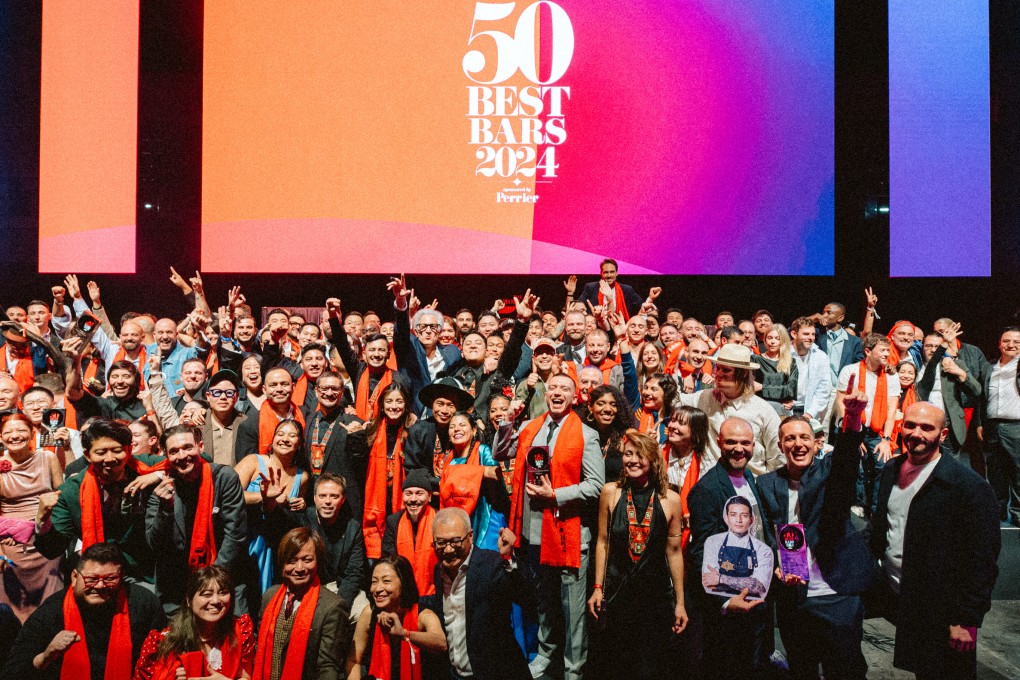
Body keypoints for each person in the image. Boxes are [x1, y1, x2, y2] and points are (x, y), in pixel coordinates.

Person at [869, 402, 1000, 679]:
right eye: (910, 425)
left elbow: (982, 561)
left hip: (944, 610)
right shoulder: (891, 469)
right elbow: (884, 528)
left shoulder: (969, 487)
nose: (917, 433)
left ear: (942, 435)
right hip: (903, 596)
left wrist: (965, 620)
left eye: (927, 428)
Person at [756, 413, 873, 680]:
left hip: (835, 593)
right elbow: (766, 536)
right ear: (780, 444)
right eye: (790, 438)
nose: (798, 444)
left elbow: (846, 459)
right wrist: (775, 566)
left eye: (804, 437)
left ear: (816, 443)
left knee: (845, 671)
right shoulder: (766, 484)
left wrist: (852, 422)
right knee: (801, 669)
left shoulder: (831, 473)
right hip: (794, 597)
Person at [505, 373, 604, 680]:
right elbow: (499, 452)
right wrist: (507, 421)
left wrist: (556, 495)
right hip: (533, 532)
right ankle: (546, 654)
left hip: (568, 534)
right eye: (553, 389)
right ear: (546, 395)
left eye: (565, 389)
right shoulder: (529, 429)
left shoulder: (587, 434)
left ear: (575, 397)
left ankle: (574, 668)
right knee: (545, 602)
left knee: (573, 612)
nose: (558, 393)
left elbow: (596, 485)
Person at [588, 431, 688, 680]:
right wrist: (598, 587)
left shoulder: (671, 500)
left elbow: (674, 553)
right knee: (616, 664)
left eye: (639, 454)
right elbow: (602, 542)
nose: (632, 460)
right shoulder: (610, 492)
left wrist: (680, 603)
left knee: (650, 666)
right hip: (617, 592)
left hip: (654, 597)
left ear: (653, 460)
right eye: (628, 454)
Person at [687, 417, 773, 680]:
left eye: (745, 443)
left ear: (754, 445)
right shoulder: (708, 489)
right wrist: (725, 601)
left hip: (756, 597)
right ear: (719, 443)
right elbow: (701, 552)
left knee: (754, 665)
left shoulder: (747, 476)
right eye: (732, 442)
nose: (739, 449)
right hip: (729, 606)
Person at [2, 542, 166, 680]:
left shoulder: (143, 603)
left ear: (121, 577)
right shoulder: (52, 610)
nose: (100, 586)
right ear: (74, 577)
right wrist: (45, 657)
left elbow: (165, 656)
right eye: (91, 579)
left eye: (110, 579)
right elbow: (12, 672)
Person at [34, 420, 164, 584]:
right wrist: (42, 520)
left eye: (117, 451)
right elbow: (52, 549)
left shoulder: (145, 465)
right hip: (100, 575)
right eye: (101, 452)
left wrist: (159, 475)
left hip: (151, 572)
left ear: (129, 449)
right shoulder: (72, 491)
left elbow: (198, 461)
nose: (110, 459)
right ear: (87, 455)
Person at [145, 425, 248, 614]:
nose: (182, 455)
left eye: (187, 447)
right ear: (166, 455)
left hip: (222, 576)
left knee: (236, 638)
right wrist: (164, 510)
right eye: (174, 451)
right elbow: (154, 545)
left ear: (200, 446)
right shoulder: (161, 487)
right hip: (176, 587)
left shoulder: (223, 478)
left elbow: (235, 535)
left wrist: (210, 582)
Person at [429, 508, 535, 680]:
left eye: (455, 541)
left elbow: (528, 598)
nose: (448, 550)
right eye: (440, 543)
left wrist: (509, 558)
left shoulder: (491, 564)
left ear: (470, 536)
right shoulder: (439, 570)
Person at [256, 528, 350, 680]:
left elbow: (328, 667)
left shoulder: (333, 606)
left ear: (318, 562)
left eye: (307, 560)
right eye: (292, 561)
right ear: (282, 564)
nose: (299, 568)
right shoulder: (269, 596)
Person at [675, 344, 783, 475]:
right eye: (718, 368)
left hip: (750, 485)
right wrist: (685, 374)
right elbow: (673, 401)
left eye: (725, 370)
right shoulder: (705, 397)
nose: (718, 374)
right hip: (711, 483)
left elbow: (778, 458)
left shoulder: (763, 410)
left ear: (743, 373)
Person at [132, 565, 256, 679]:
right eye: (207, 594)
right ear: (189, 600)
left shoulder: (240, 632)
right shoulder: (164, 643)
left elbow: (246, 677)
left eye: (223, 593)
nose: (216, 600)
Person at [265, 473, 366, 612]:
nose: (328, 501)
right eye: (322, 496)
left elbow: (354, 573)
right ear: (314, 498)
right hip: (304, 586)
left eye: (334, 496)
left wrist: (340, 606)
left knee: (365, 611)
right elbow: (279, 519)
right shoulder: (303, 518)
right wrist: (270, 501)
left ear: (343, 499)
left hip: (337, 588)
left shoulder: (352, 527)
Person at [0, 413, 64, 622]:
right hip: (10, 541)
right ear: (0, 438)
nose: (14, 436)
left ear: (32, 433)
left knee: (52, 598)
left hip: (46, 535)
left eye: (21, 430)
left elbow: (61, 495)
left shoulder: (47, 458)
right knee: (13, 602)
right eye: (8, 432)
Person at [235, 419, 311, 593]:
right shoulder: (253, 461)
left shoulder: (303, 477)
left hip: (278, 545)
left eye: (292, 435)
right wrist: (264, 498)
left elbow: (294, 518)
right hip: (247, 537)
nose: (285, 439)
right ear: (273, 439)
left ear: (299, 444)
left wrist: (301, 505)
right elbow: (229, 495)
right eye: (280, 434)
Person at [346, 554, 447, 680]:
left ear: (404, 582)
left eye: (386, 581)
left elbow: (441, 643)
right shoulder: (369, 613)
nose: (377, 589)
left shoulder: (423, 615)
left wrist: (405, 634)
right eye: (374, 582)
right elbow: (354, 660)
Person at [835, 333, 900, 515]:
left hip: (878, 432)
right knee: (856, 463)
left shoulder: (890, 376)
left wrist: (886, 439)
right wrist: (851, 432)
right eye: (883, 350)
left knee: (882, 463)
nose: (887, 354)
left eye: (888, 350)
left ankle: (876, 509)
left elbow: (891, 408)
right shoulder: (851, 371)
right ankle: (856, 505)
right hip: (852, 427)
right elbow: (841, 402)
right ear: (868, 351)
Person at [436, 412, 507, 550]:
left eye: (462, 425)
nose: (457, 429)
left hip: (485, 516)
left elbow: (495, 473)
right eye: (452, 426)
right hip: (458, 520)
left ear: (474, 431)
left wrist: (456, 472)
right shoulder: (447, 459)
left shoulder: (483, 451)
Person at [327, 298, 401, 422]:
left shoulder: (398, 379)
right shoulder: (358, 370)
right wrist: (333, 317)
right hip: (359, 429)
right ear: (364, 353)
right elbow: (342, 345)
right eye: (371, 350)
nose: (376, 354)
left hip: (386, 431)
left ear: (388, 354)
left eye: (381, 350)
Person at [363, 383, 414, 559]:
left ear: (406, 405)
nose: (394, 406)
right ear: (382, 406)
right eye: (389, 401)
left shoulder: (414, 431)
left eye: (399, 401)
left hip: (401, 498)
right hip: (377, 499)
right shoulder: (370, 431)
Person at [302, 371, 366, 509]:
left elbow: (361, 466)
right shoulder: (307, 420)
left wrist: (357, 438)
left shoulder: (354, 423)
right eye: (324, 388)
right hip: (312, 498)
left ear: (342, 392)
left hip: (343, 500)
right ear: (317, 391)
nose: (329, 393)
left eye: (335, 389)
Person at [914, 328, 980, 462]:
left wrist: (961, 374)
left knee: (950, 468)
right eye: (928, 346)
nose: (933, 350)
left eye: (937, 346)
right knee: (921, 467)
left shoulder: (952, 365)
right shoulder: (913, 365)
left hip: (948, 426)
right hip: (920, 426)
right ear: (922, 347)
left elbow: (976, 391)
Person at [977, 326, 1020, 525]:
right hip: (992, 427)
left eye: (1016, 342)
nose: (1011, 345)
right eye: (1006, 341)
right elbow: (982, 398)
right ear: (999, 344)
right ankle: (997, 512)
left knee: (1018, 472)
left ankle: (1018, 513)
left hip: (1016, 426)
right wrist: (980, 423)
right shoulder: (990, 367)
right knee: (995, 472)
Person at [403, 378, 475, 494]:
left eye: (450, 405)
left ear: (458, 407)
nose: (444, 410)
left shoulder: (465, 433)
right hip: (426, 495)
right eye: (440, 404)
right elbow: (413, 470)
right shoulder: (418, 431)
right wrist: (439, 484)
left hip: (458, 493)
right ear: (432, 404)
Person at [382, 469, 438, 597]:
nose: (413, 499)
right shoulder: (394, 522)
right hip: (401, 594)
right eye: (408, 493)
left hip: (434, 593)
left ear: (429, 496)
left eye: (419, 493)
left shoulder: (439, 520)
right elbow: (388, 561)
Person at [662, 406, 710, 549]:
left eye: (681, 423)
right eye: (672, 421)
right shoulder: (657, 454)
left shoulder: (705, 464)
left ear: (696, 432)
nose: (673, 426)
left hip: (689, 535)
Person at [814, 301, 865, 436]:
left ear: (840, 318)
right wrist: (812, 318)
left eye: (828, 312)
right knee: (820, 431)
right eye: (823, 311)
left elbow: (861, 366)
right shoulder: (817, 336)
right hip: (823, 391)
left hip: (843, 392)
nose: (824, 315)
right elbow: (792, 332)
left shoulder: (855, 342)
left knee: (843, 429)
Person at [234, 367, 306, 459]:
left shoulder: (305, 416)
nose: (279, 389)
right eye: (273, 385)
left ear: (293, 387)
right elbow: (246, 466)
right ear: (264, 390)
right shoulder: (249, 426)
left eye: (284, 384)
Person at [582, 384, 636, 485]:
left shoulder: (628, 436)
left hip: (615, 496)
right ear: (590, 407)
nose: (607, 409)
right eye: (601, 403)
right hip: (588, 497)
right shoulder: (582, 433)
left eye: (613, 404)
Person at [788, 316, 832, 421]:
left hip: (810, 411)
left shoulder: (821, 356)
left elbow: (824, 389)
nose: (811, 338)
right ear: (794, 334)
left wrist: (809, 414)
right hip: (785, 410)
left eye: (813, 334)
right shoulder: (782, 354)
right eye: (806, 334)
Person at [201, 369, 249, 465]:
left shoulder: (246, 424)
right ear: (208, 396)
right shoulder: (198, 423)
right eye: (217, 392)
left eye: (229, 392)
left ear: (236, 396)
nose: (223, 397)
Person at [576, 259, 646, 320]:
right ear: (601, 273)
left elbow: (642, 305)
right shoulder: (591, 288)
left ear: (617, 273)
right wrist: (570, 293)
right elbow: (578, 306)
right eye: (606, 272)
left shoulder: (627, 289)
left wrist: (651, 301)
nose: (609, 275)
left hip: (621, 326)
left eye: (612, 272)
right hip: (597, 328)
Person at [755, 324, 797, 414]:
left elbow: (791, 391)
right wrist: (782, 392)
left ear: (783, 341)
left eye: (777, 338)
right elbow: (752, 388)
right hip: (759, 408)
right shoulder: (755, 360)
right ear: (765, 339)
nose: (773, 342)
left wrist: (762, 387)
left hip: (781, 411)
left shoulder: (790, 362)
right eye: (770, 338)